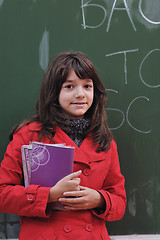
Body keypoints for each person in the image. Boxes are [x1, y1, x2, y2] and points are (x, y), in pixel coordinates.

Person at [0, 51, 126, 240]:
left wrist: (99, 199)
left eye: (87, 86)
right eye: (69, 86)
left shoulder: (104, 140)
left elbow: (120, 202)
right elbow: (2, 193)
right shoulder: (28, 135)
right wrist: (49, 195)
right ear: (53, 92)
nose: (80, 94)